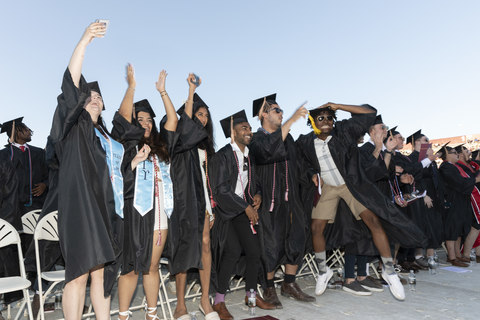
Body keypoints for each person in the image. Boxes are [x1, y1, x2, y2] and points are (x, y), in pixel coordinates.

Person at [50, 22, 145, 320]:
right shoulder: (74, 126)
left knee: (102, 276)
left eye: (99, 96)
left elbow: (114, 175)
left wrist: (133, 163)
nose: (94, 97)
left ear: (103, 107)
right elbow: (71, 81)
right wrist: (84, 41)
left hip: (107, 209)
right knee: (78, 275)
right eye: (88, 94)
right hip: (80, 206)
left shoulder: (107, 138)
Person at [296, 103, 427, 302]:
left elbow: (369, 112)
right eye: (320, 118)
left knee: (373, 220)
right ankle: (323, 271)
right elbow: (301, 164)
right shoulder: (305, 141)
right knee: (316, 227)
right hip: (329, 187)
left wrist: (336, 105)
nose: (326, 121)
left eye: (330, 117)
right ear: (312, 121)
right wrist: (311, 174)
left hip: (351, 184)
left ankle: (389, 272)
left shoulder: (343, 132)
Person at [114, 67, 177, 320]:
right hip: (136, 213)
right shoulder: (126, 147)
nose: (145, 124)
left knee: (152, 268)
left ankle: (152, 315)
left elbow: (172, 121)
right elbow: (121, 178)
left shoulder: (162, 149)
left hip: (161, 214)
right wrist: (131, 87)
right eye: (139, 120)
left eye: (149, 120)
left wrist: (162, 91)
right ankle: (123, 316)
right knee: (131, 269)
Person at [249, 94, 315, 308]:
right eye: (277, 110)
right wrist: (293, 119)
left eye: (282, 112)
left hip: (291, 199)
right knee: (271, 242)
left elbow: (298, 166)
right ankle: (269, 287)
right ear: (264, 114)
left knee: (297, 236)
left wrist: (311, 175)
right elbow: (268, 151)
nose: (281, 114)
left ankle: (289, 283)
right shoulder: (256, 139)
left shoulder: (289, 139)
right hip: (269, 198)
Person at [162, 74, 219, 320]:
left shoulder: (206, 148)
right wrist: (191, 92)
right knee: (183, 247)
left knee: (205, 244)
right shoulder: (179, 143)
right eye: (199, 114)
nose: (203, 118)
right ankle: (181, 305)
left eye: (206, 115)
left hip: (203, 202)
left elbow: (209, 181)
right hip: (183, 200)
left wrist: (212, 207)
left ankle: (205, 302)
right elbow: (181, 123)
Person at [210, 110, 275, 319]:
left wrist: (257, 194)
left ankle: (251, 295)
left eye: (249, 128)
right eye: (243, 128)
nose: (249, 131)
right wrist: (245, 207)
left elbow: (253, 184)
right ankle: (218, 301)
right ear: (233, 133)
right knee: (233, 252)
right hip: (226, 211)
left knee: (254, 252)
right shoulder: (222, 156)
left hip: (242, 209)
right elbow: (221, 189)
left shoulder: (249, 156)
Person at [438, 144, 480, 267]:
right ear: (448, 155)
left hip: (460, 200)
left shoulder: (453, 167)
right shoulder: (445, 167)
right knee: (452, 228)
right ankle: (451, 257)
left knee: (459, 228)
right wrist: (476, 180)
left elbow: (465, 180)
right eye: (453, 152)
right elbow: (459, 182)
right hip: (452, 200)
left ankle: (458, 255)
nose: (457, 154)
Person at [407, 131, 445, 265]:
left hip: (432, 195)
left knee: (433, 225)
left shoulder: (426, 157)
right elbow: (415, 179)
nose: (428, 142)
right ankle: (419, 257)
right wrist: (423, 194)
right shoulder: (412, 157)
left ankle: (430, 255)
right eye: (425, 140)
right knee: (424, 226)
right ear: (417, 142)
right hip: (422, 196)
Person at [451, 145, 480, 261]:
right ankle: (466, 254)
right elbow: (469, 180)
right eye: (467, 151)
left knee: (477, 226)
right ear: (461, 154)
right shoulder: (459, 167)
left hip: (474, 198)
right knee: (475, 226)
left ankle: (477, 253)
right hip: (469, 199)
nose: (469, 153)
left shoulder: (470, 165)